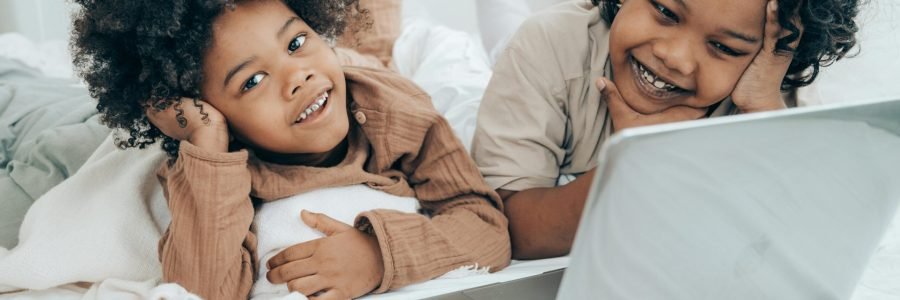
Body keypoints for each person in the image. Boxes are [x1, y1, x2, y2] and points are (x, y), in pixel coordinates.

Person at [70, 0, 511, 299]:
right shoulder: (210, 162)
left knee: (386, 49)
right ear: (209, 108)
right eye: (252, 81)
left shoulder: (399, 110)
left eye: (297, 43)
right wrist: (206, 140)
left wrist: (379, 256)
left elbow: (487, 226)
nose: (296, 77)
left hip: (364, 76)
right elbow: (201, 291)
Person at [472, 0, 861, 259]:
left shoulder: (764, 89)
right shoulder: (549, 44)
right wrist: (640, 157)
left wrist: (760, 108)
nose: (674, 57)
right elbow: (514, 229)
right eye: (666, 11)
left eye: (724, 48)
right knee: (491, 50)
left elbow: (805, 236)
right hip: (553, 69)